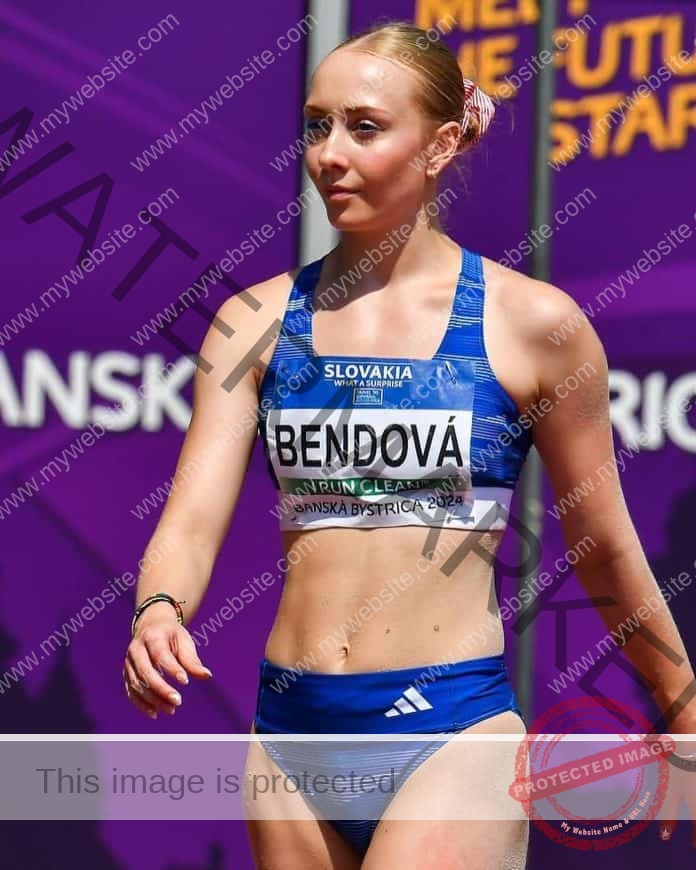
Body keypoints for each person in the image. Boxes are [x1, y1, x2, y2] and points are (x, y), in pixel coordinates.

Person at [123, 20, 696, 869]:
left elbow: (603, 546)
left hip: (452, 729)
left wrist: (681, 707)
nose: (329, 154)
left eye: (364, 126)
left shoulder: (532, 323)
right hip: (289, 733)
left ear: (442, 145)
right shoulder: (252, 322)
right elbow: (190, 522)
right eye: (317, 125)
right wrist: (157, 608)